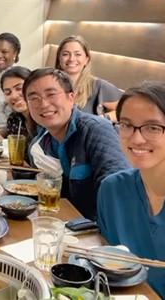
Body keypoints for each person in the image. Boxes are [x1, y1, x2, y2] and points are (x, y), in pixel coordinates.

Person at [97, 82, 165, 299]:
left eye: (153, 127)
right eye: (126, 125)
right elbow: (114, 268)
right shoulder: (112, 190)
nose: (136, 138)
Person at [22, 68, 129, 220]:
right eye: (34, 98)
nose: (43, 104)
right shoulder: (41, 142)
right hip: (64, 222)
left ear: (71, 97)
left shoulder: (95, 129)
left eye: (51, 94)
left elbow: (119, 189)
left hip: (98, 230)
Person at [55, 35, 122, 115]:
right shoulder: (48, 85)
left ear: (86, 59)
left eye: (78, 54)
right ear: (59, 59)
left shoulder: (100, 86)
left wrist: (104, 118)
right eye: (65, 54)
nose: (71, 59)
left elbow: (126, 111)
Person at [0, 66, 35, 140]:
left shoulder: (46, 120)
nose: (14, 96)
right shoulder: (14, 119)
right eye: (7, 92)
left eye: (19, 88)